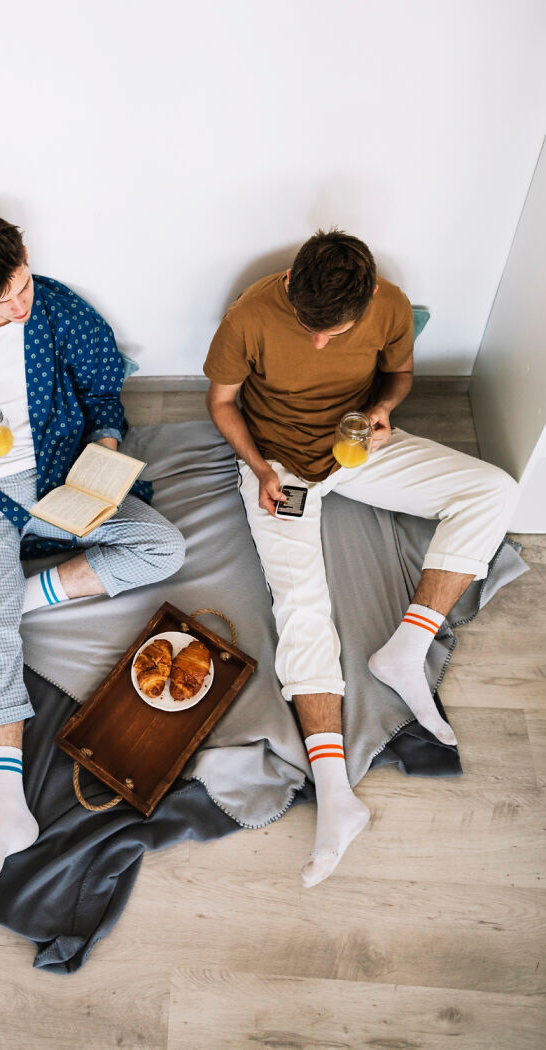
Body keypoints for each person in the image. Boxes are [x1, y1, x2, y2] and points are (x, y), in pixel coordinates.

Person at [203, 229, 517, 888]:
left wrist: (381, 410)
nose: (320, 343)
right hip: (279, 465)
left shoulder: (390, 304)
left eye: (335, 332)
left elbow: (399, 375)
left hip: (355, 449)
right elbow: (222, 402)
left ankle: (407, 648)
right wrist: (259, 468)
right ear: (291, 283)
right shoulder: (249, 316)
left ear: (369, 296)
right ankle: (335, 793)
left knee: (494, 490)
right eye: (308, 327)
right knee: (300, 603)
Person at [0, 214, 185, 895]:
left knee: (162, 547)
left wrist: (104, 452)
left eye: (22, 285)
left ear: (25, 254)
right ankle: (8, 809)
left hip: (59, 478)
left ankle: (13, 601)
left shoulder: (60, 310)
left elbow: (104, 388)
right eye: (1, 299)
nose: (19, 304)